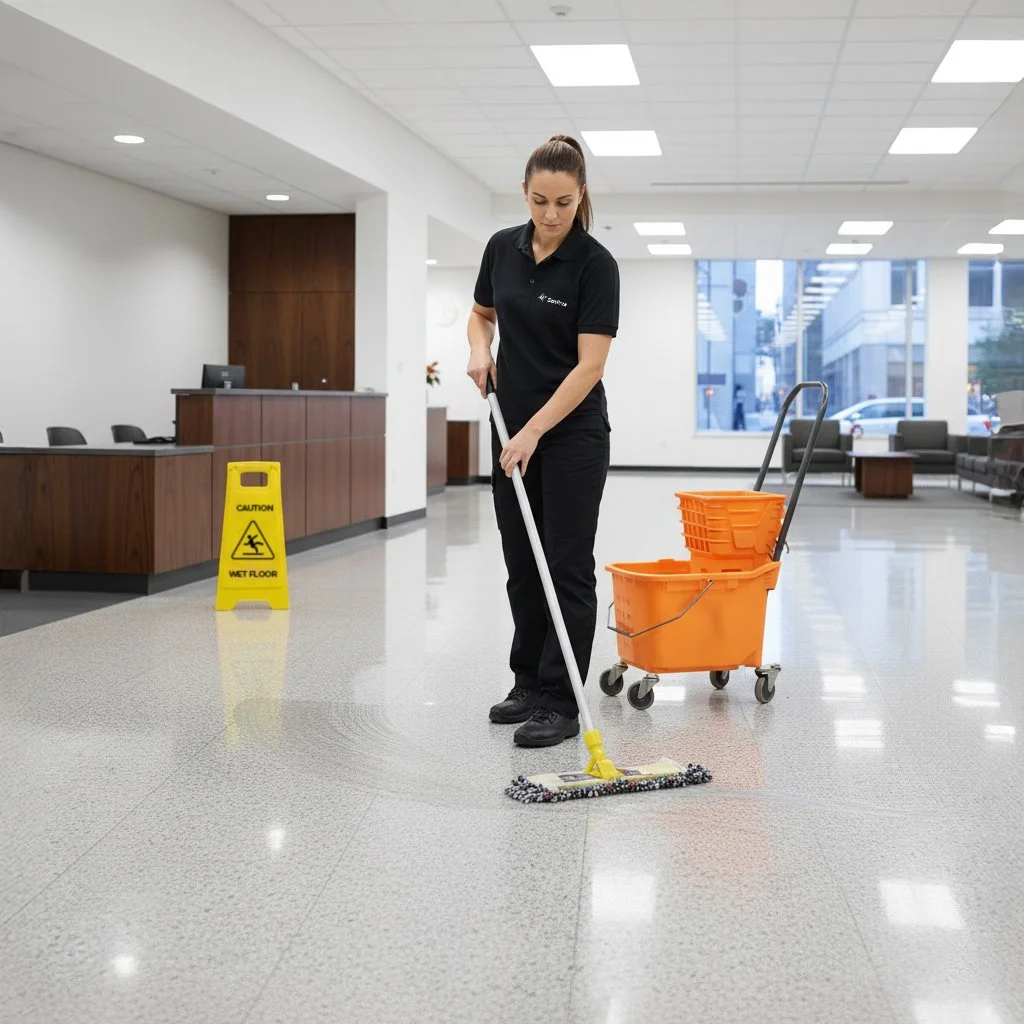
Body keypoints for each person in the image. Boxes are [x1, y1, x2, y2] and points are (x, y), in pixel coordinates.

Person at [465, 134, 620, 749]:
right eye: (538, 201)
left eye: (562, 201)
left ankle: (562, 698)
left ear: (581, 196)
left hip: (569, 434)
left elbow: (590, 367)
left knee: (566, 567)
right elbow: (481, 313)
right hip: (511, 430)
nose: (550, 215)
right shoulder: (501, 249)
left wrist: (535, 430)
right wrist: (479, 349)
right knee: (521, 564)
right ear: (525, 194)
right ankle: (528, 680)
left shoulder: (595, 265)